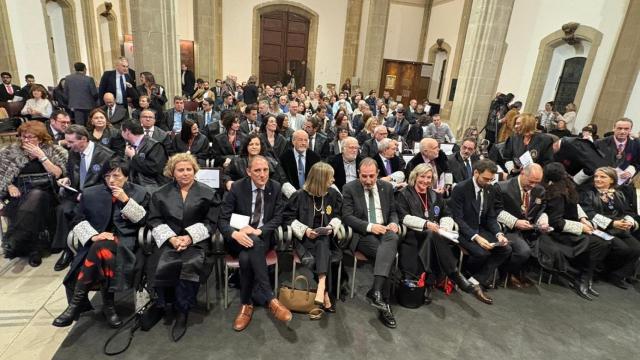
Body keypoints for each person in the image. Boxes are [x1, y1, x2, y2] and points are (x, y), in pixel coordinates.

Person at [52, 159, 149, 328]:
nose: (111, 180)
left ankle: (75, 305)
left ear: (126, 177)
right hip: (97, 243)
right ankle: (108, 307)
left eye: (116, 176)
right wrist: (93, 236)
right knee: (102, 249)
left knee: (101, 248)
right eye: (107, 176)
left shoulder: (140, 192)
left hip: (126, 242)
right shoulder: (90, 193)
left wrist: (126, 200)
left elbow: (144, 222)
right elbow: (77, 219)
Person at [396, 164, 493, 304]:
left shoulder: (435, 195)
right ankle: (455, 275)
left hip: (435, 237)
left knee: (433, 236)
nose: (426, 180)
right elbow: (403, 217)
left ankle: (429, 283)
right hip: (413, 235)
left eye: (429, 177)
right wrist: (426, 224)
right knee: (431, 234)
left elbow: (447, 214)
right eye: (422, 176)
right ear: (415, 177)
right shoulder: (404, 194)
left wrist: (445, 226)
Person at [148, 153, 219, 341]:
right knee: (160, 261)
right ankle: (162, 305)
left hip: (196, 241)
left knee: (188, 265)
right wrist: (172, 239)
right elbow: (154, 219)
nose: (185, 173)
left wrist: (189, 238)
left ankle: (182, 311)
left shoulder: (208, 193)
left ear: (195, 171)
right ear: (172, 172)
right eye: (181, 170)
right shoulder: (160, 193)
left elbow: (211, 221)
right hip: (169, 240)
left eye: (189, 169)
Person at [218, 155, 292, 331]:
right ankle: (270, 298)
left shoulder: (275, 187)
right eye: (257, 170)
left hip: (262, 237)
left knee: (247, 257)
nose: (262, 174)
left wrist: (260, 231)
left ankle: (246, 305)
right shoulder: (237, 188)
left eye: (265, 170)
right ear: (248, 172)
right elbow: (222, 220)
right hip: (238, 238)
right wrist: (234, 234)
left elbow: (278, 217)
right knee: (249, 248)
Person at [342, 158, 400, 328]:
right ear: (359, 173)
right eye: (364, 176)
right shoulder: (349, 188)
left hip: (385, 231)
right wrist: (369, 226)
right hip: (363, 234)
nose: (368, 180)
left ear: (378, 174)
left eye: (371, 176)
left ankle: (376, 292)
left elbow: (394, 212)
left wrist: (394, 223)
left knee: (393, 238)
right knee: (387, 256)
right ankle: (384, 306)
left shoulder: (387, 187)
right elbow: (347, 216)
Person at [0, 121, 67, 266]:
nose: (26, 140)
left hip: (48, 196)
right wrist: (9, 185)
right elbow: (2, 175)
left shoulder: (54, 150)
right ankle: (35, 250)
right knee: (31, 202)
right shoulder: (10, 151)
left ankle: (15, 238)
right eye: (23, 137)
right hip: (19, 196)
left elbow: (58, 174)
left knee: (37, 195)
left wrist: (42, 157)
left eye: (30, 137)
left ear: (41, 138)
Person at [543, 162, 609, 300]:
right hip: (558, 232)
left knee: (603, 243)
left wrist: (583, 218)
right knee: (597, 243)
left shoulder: (567, 186)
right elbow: (556, 222)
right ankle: (581, 278)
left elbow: (575, 204)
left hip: (571, 225)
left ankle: (585, 277)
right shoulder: (555, 193)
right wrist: (581, 228)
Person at [53, 125, 115, 271]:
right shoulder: (74, 152)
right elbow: (72, 172)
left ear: (84, 139)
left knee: (77, 212)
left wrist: (88, 194)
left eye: (71, 142)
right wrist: (66, 179)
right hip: (76, 193)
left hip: (96, 196)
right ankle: (67, 249)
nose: (68, 145)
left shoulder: (105, 155)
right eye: (67, 142)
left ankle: (81, 247)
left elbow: (108, 182)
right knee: (62, 210)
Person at [284, 162, 343, 315]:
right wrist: (306, 231)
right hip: (305, 240)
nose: (333, 180)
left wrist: (331, 227)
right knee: (323, 248)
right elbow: (287, 218)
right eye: (330, 177)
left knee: (323, 242)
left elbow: (338, 214)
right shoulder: (299, 196)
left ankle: (322, 286)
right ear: (320, 180)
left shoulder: (333, 194)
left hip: (326, 238)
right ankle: (324, 292)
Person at [449, 159, 512, 290]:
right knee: (483, 253)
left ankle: (476, 279)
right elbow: (458, 219)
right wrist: (475, 237)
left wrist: (498, 234)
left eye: (491, 179)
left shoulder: (490, 189)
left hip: (480, 228)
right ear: (476, 173)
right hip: (463, 231)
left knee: (505, 249)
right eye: (486, 178)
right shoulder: (460, 189)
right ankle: (469, 275)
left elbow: (491, 216)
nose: (489, 182)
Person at [579, 167, 640, 289]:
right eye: (596, 176)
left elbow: (627, 211)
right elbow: (589, 213)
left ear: (611, 180)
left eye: (602, 177)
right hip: (600, 228)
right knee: (622, 249)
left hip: (618, 228)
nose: (597, 179)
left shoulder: (619, 194)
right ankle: (599, 271)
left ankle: (616, 275)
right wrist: (612, 223)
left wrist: (629, 221)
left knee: (636, 248)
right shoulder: (587, 192)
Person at [495, 164, 550, 287]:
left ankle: (520, 273)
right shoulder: (503, 188)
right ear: (522, 173)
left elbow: (541, 210)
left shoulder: (540, 190)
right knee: (523, 251)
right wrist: (515, 222)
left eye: (537, 182)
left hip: (530, 229)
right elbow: (495, 211)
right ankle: (506, 274)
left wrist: (543, 219)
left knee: (549, 251)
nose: (533, 185)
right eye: (531, 181)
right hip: (509, 229)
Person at [120, 119, 168, 192]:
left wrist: (133, 157)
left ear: (127, 131)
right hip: (134, 187)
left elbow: (153, 169)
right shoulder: (129, 146)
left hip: (152, 189)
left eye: (122, 131)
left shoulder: (155, 146)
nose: (121, 133)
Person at [595, 118, 640, 185]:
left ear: (630, 130)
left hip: (623, 184)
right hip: (601, 183)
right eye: (619, 128)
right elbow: (592, 162)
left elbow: (637, 163)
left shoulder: (636, 144)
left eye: (626, 129)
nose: (622, 131)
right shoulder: (599, 143)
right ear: (613, 128)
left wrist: (631, 171)